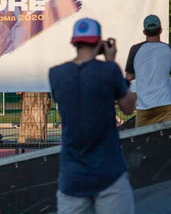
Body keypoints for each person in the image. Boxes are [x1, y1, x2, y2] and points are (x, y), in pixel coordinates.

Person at [49, 18, 135, 214]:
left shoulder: (56, 74)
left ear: (74, 43)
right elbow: (128, 107)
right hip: (109, 172)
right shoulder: (109, 70)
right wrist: (111, 61)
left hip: (72, 174)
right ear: (99, 43)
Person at [125, 14, 171, 127]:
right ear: (160, 30)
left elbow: (129, 77)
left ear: (144, 32)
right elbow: (167, 69)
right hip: (168, 104)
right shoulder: (169, 49)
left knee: (139, 140)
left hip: (145, 106)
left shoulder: (135, 50)